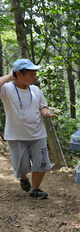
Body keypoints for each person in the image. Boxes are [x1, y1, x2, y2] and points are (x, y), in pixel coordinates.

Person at [0, 59, 54, 199]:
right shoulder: (6, 89)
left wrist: (46, 112)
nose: (33, 77)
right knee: (21, 166)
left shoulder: (35, 90)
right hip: (16, 135)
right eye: (30, 74)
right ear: (18, 74)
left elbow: (42, 106)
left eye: (34, 74)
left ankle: (35, 189)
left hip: (38, 134)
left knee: (41, 164)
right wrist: (8, 76)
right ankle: (23, 178)